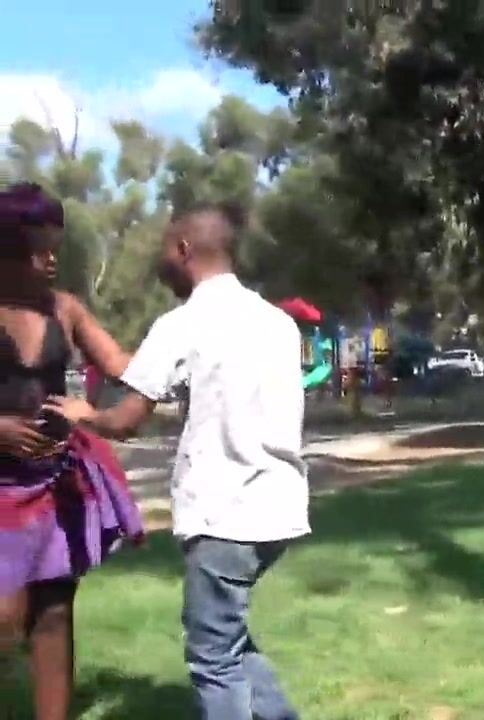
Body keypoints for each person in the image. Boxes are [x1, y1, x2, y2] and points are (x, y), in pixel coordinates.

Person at [46, 203, 309, 720]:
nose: (160, 261)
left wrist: (84, 414)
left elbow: (127, 420)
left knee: (213, 656)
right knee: (227, 638)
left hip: (226, 513)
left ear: (184, 249)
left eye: (165, 250)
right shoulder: (277, 322)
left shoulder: (183, 323)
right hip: (278, 507)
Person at [0, 183, 143, 720]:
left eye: (55, 246)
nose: (52, 258)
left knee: (55, 614)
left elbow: (125, 366)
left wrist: (190, 346)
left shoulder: (65, 309)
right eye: (40, 247)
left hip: (54, 482)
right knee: (5, 619)